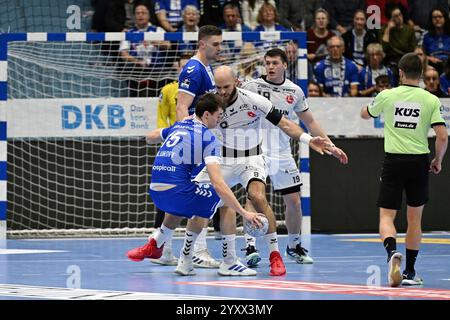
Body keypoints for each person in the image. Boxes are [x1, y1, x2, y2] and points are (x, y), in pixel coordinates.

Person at [193, 65, 331, 276]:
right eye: (218, 87)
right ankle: (175, 247)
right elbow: (193, 125)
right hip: (222, 159)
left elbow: (285, 124)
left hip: (252, 158)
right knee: (201, 198)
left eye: (226, 87)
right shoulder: (210, 103)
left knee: (257, 196)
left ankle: (275, 255)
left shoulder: (253, 100)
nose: (222, 92)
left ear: (237, 82)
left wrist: (309, 139)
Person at [126, 93, 264, 276]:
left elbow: (150, 137)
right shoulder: (209, 139)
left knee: (197, 196)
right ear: (206, 114)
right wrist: (244, 212)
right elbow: (218, 183)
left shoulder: (180, 125)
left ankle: (163, 247)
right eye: (218, 115)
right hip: (176, 193)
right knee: (224, 201)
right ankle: (229, 262)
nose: (220, 120)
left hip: (157, 193)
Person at [241, 48, 348, 267]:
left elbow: (310, 122)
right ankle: (250, 247)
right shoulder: (251, 87)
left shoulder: (295, 91)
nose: (270, 67)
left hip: (282, 153)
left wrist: (330, 145)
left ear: (284, 65)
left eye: (274, 63)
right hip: (256, 151)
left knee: (294, 201)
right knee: (253, 198)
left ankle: (294, 245)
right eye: (267, 63)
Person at [360, 52, 448, 287]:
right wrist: (438, 160)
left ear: (400, 72)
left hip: (394, 161)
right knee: (414, 219)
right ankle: (409, 272)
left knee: (387, 215)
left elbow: (365, 114)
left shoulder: (387, 95)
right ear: (420, 75)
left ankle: (391, 254)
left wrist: (377, 106)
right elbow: (442, 135)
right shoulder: (430, 100)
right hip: (419, 161)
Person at [176, 24, 223, 268]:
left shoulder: (207, 67)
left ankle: (162, 247)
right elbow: (181, 107)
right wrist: (189, 139)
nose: (219, 48)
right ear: (202, 43)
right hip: (195, 141)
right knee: (202, 195)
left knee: (201, 195)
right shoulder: (193, 69)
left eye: (220, 43)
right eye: (215, 44)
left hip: (203, 138)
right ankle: (198, 251)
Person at [119, 3, 171, 97]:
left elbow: (168, 45)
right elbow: (123, 54)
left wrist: (155, 42)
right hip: (137, 70)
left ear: (148, 15)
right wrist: (138, 61)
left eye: (143, 13)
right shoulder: (129, 32)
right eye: (138, 13)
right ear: (134, 16)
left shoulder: (157, 30)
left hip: (157, 70)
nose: (140, 15)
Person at [380, 4, 416, 72]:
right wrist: (388, 30)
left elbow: (412, 48)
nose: (399, 17)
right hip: (390, 60)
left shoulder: (409, 30)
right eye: (396, 16)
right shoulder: (384, 29)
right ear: (391, 19)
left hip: (405, 58)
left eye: (400, 14)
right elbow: (383, 48)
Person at [422, 7, 450, 75]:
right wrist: (430, 58)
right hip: (433, 64)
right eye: (435, 17)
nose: (437, 19)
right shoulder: (427, 37)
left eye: (440, 17)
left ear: (445, 18)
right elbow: (422, 54)